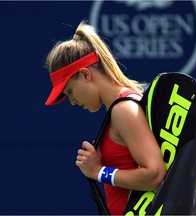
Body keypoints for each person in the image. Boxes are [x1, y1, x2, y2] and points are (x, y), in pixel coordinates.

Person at [44, 21, 166, 215]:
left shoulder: (123, 109)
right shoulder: (120, 108)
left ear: (85, 75)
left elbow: (155, 175)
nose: (72, 102)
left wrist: (98, 171)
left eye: (70, 91)